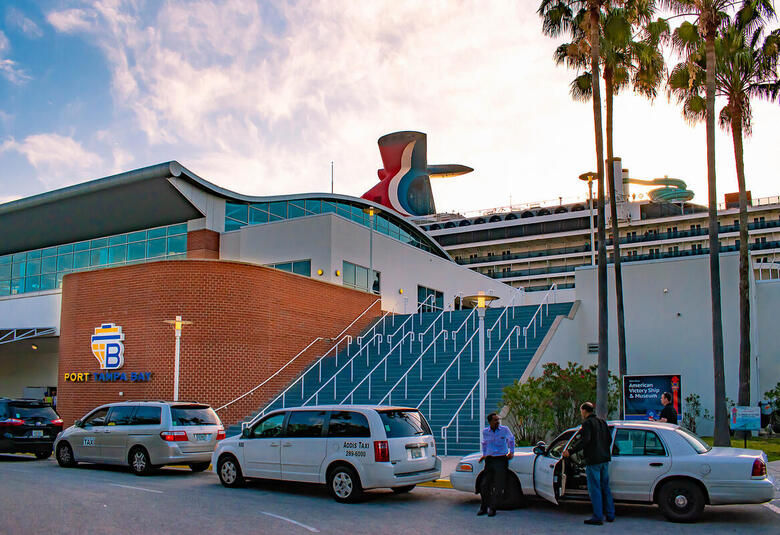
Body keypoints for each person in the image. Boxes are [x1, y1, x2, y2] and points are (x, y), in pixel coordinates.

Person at [563, 402, 614, 525]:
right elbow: (609, 439)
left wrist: (570, 451)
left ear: (585, 411)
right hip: (604, 459)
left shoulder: (587, 423)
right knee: (605, 487)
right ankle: (610, 514)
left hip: (593, 460)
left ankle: (598, 517)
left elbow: (585, 440)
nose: (581, 414)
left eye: (581, 411)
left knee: (594, 488)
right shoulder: (602, 422)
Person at [477, 412, 514, 517]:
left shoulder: (504, 430)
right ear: (490, 422)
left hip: (501, 459)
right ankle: (484, 507)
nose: (498, 422)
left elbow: (511, 439)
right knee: (484, 485)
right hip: (490, 460)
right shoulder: (485, 432)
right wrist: (484, 455)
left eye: (498, 420)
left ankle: (492, 508)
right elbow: (484, 443)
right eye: (495, 420)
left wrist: (512, 452)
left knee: (498, 485)